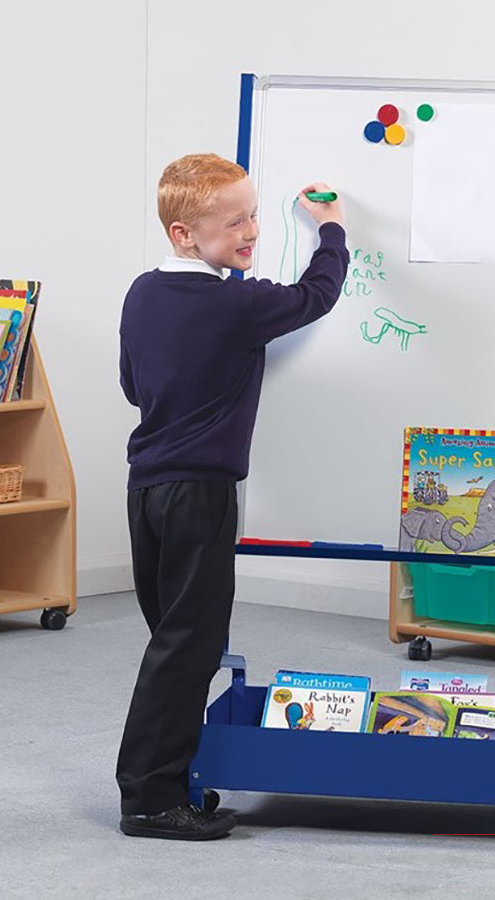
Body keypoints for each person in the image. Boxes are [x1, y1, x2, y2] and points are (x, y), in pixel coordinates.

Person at [117, 153, 347, 840]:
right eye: (233, 222)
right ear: (185, 233)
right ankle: (151, 800)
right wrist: (330, 229)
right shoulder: (235, 303)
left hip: (147, 490)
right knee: (190, 644)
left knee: (176, 642)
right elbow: (316, 295)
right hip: (201, 495)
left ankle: (170, 780)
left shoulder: (141, 292)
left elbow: (134, 385)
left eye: (252, 213)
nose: (250, 231)